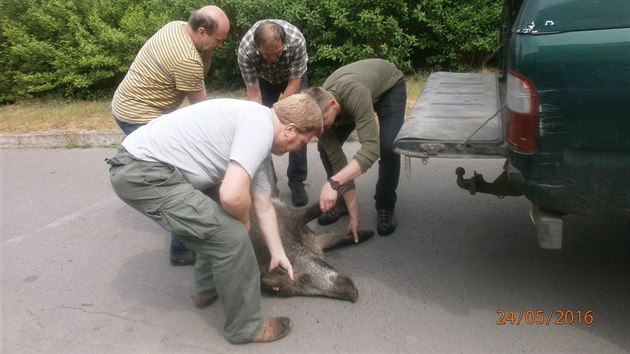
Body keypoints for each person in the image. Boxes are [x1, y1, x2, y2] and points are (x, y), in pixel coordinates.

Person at [106, 94, 323, 344]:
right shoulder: (259, 128)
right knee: (231, 237)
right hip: (143, 172)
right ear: (290, 129)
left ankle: (206, 288)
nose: (299, 149)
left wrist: (278, 253)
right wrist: (243, 224)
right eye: (302, 142)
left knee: (217, 226)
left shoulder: (259, 128)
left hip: (147, 167)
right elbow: (231, 195)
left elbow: (263, 205)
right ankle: (246, 328)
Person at [110, 5, 230, 266]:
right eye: (218, 40)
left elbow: (201, 71)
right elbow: (201, 112)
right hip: (138, 115)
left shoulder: (176, 27)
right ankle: (181, 249)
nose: (220, 45)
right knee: (181, 177)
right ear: (201, 31)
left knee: (180, 170)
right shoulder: (185, 59)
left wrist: (206, 50)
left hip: (130, 106)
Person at [304, 58, 406, 238]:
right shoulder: (318, 115)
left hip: (388, 87)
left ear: (332, 105)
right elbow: (338, 161)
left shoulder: (354, 93)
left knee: (388, 146)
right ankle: (342, 203)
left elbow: (371, 149)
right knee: (325, 149)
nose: (321, 129)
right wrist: (354, 214)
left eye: (322, 123)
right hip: (355, 98)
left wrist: (333, 183)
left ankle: (385, 205)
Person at [238, 19, 310, 207]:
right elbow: (254, 94)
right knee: (260, 129)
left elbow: (294, 84)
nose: (272, 58)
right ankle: (269, 186)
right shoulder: (246, 50)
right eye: (266, 54)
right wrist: (264, 120)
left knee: (298, 126)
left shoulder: (296, 41)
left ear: (283, 44)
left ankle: (297, 182)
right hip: (263, 80)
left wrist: (276, 114)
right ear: (257, 47)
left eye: (277, 53)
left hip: (292, 78)